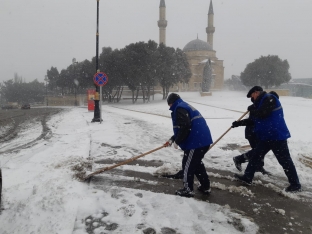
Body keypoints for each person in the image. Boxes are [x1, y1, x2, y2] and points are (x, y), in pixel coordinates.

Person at [234, 86, 302, 193]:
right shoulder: (259, 104)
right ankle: (247, 177)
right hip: (266, 137)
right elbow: (252, 121)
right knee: (256, 156)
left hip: (276, 136)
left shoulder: (269, 98)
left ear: (256, 93)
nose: (252, 98)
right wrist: (238, 123)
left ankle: (295, 184)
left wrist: (253, 109)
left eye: (252, 96)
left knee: (285, 160)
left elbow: (263, 113)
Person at [164, 93, 213, 197]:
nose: (169, 107)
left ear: (171, 103)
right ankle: (205, 186)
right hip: (203, 140)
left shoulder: (179, 108)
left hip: (195, 142)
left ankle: (188, 189)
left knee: (187, 165)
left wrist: (178, 141)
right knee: (196, 164)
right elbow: (184, 127)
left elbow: (186, 126)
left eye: (169, 105)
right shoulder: (184, 105)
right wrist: (173, 139)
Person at [232, 88, 279, 175]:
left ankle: (255, 166)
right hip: (252, 133)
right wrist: (238, 123)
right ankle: (243, 161)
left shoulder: (263, 106)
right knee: (258, 151)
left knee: (259, 151)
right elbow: (251, 121)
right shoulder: (256, 107)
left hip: (260, 133)